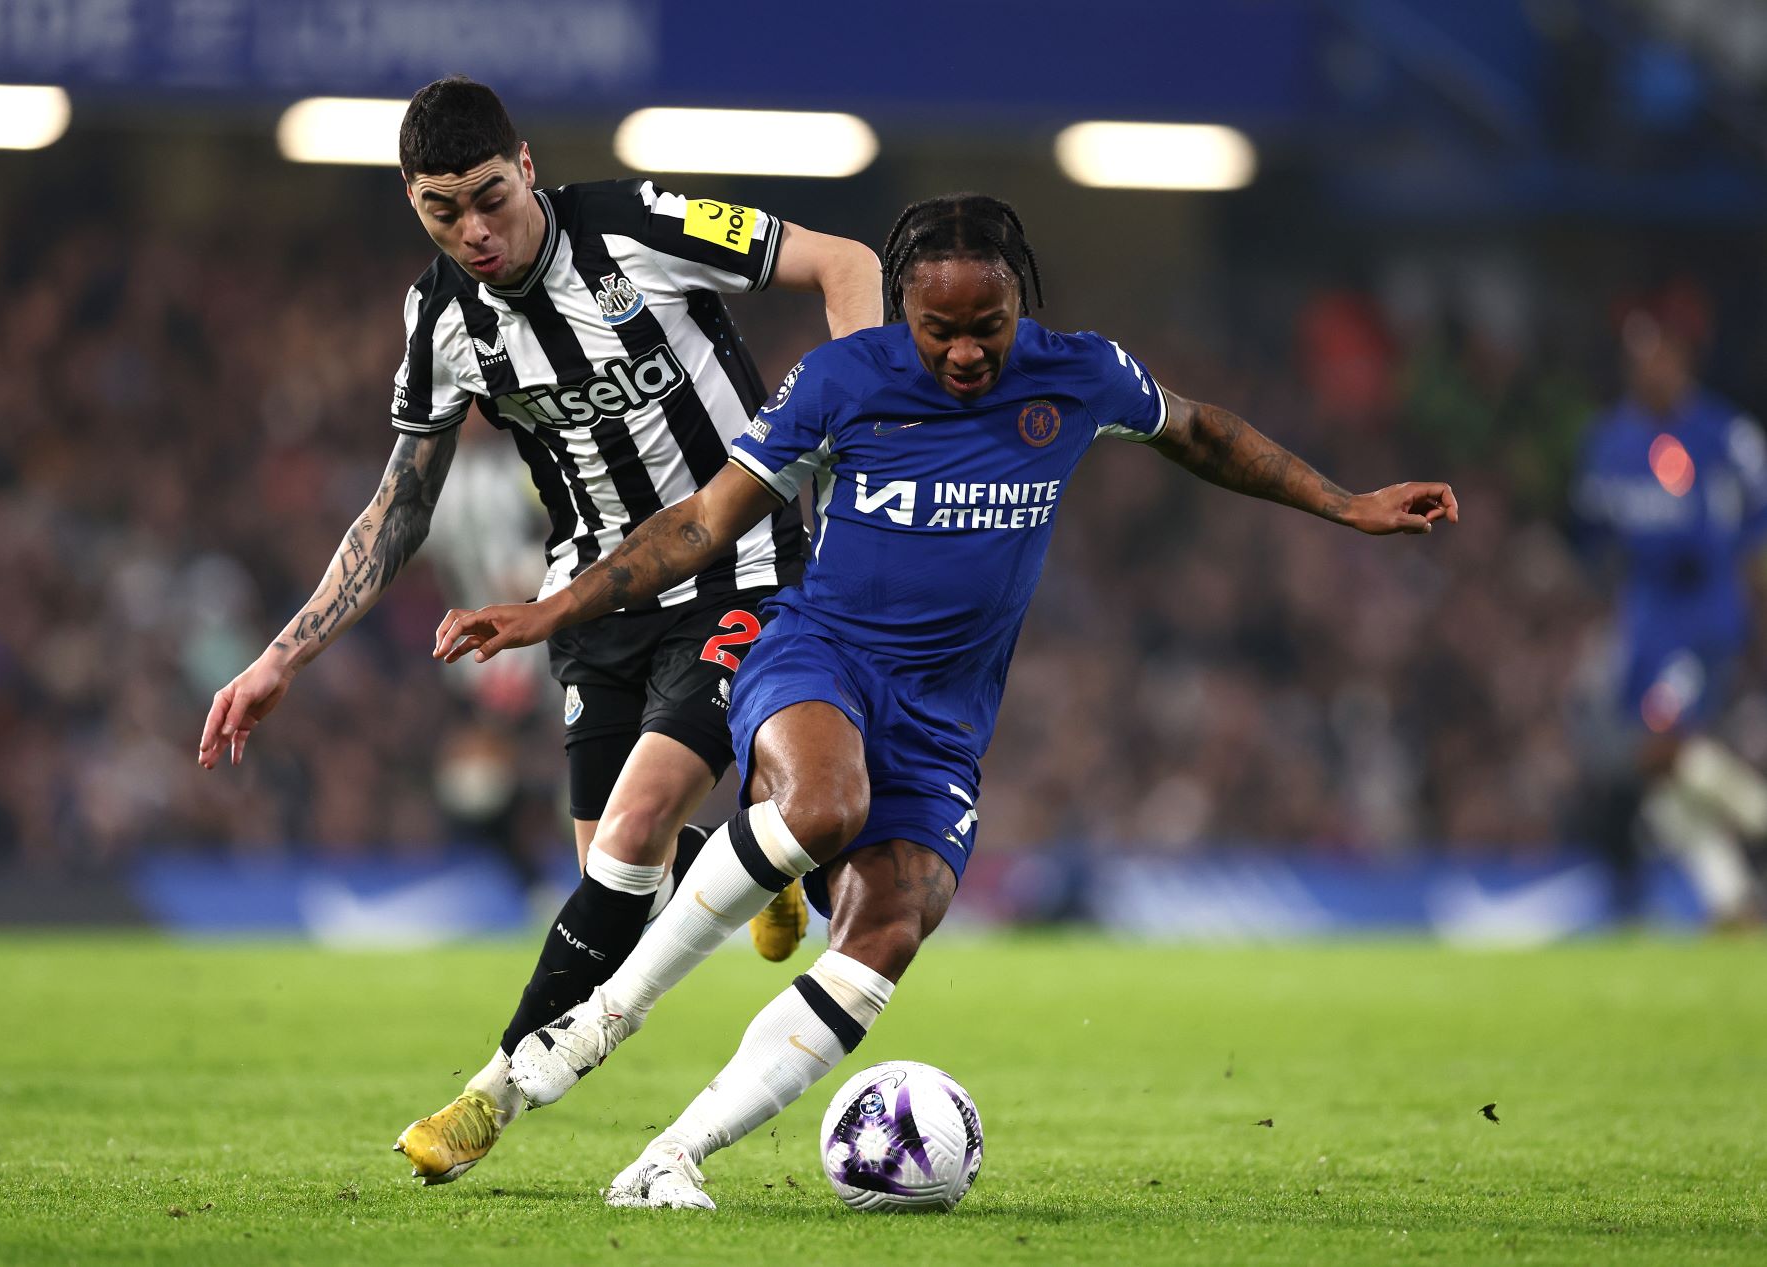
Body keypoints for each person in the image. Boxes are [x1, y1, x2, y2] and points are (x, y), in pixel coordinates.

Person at [432, 192, 1458, 1208]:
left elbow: (1200, 433)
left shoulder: (1081, 373)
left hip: (943, 725)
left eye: (987, 328)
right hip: (817, 658)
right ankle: (600, 1019)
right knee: (823, 804)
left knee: (887, 926)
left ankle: (669, 1158)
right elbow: (705, 521)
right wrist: (551, 608)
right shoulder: (843, 378)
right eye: (938, 330)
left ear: (1023, 306)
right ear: (901, 312)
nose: (966, 353)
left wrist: (1343, 502)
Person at [194, 75, 883, 1183]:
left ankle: (494, 1091)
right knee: (620, 889)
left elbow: (845, 264)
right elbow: (400, 505)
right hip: (590, 605)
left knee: (634, 823)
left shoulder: (640, 227)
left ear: (524, 164)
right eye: (438, 210)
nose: (472, 230)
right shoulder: (439, 319)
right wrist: (285, 652)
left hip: (740, 570)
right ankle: (753, 864)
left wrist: (868, 438)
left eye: (488, 197)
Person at [1571, 291, 1767, 925]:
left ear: (1684, 359)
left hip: (1703, 612)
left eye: (1662, 352)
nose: (1650, 365)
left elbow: (1757, 531)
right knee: (1654, 775)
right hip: (1645, 619)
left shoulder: (1726, 436)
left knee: (1661, 748)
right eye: (1640, 352)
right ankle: (1731, 900)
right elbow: (1593, 537)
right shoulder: (1608, 443)